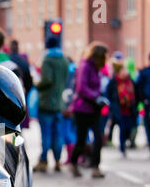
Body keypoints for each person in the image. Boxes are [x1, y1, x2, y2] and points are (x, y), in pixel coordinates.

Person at [70, 42, 109, 178]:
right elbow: (81, 88)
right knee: (81, 140)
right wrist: (95, 97)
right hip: (82, 109)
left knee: (98, 138)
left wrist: (100, 97)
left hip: (94, 109)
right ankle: (73, 162)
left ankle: (95, 167)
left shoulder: (96, 68)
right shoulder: (85, 66)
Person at [33, 37, 69, 173]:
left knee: (46, 134)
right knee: (57, 134)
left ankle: (43, 161)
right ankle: (58, 160)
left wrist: (36, 84)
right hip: (59, 103)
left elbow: (47, 80)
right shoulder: (64, 59)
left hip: (46, 102)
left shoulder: (47, 60)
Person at [106, 57, 138, 157]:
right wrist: (111, 105)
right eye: (123, 71)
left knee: (129, 128)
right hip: (119, 109)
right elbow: (109, 93)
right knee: (122, 128)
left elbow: (136, 93)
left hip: (129, 109)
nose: (125, 72)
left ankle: (126, 142)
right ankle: (122, 147)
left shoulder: (130, 81)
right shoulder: (114, 82)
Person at [9, 40, 33, 129]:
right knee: (19, 127)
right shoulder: (24, 61)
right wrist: (25, 93)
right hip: (21, 97)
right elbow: (29, 82)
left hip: (7, 99)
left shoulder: (7, 61)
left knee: (5, 130)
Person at [137, 53, 150, 154]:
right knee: (148, 124)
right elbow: (139, 87)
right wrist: (143, 99)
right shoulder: (144, 72)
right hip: (148, 102)